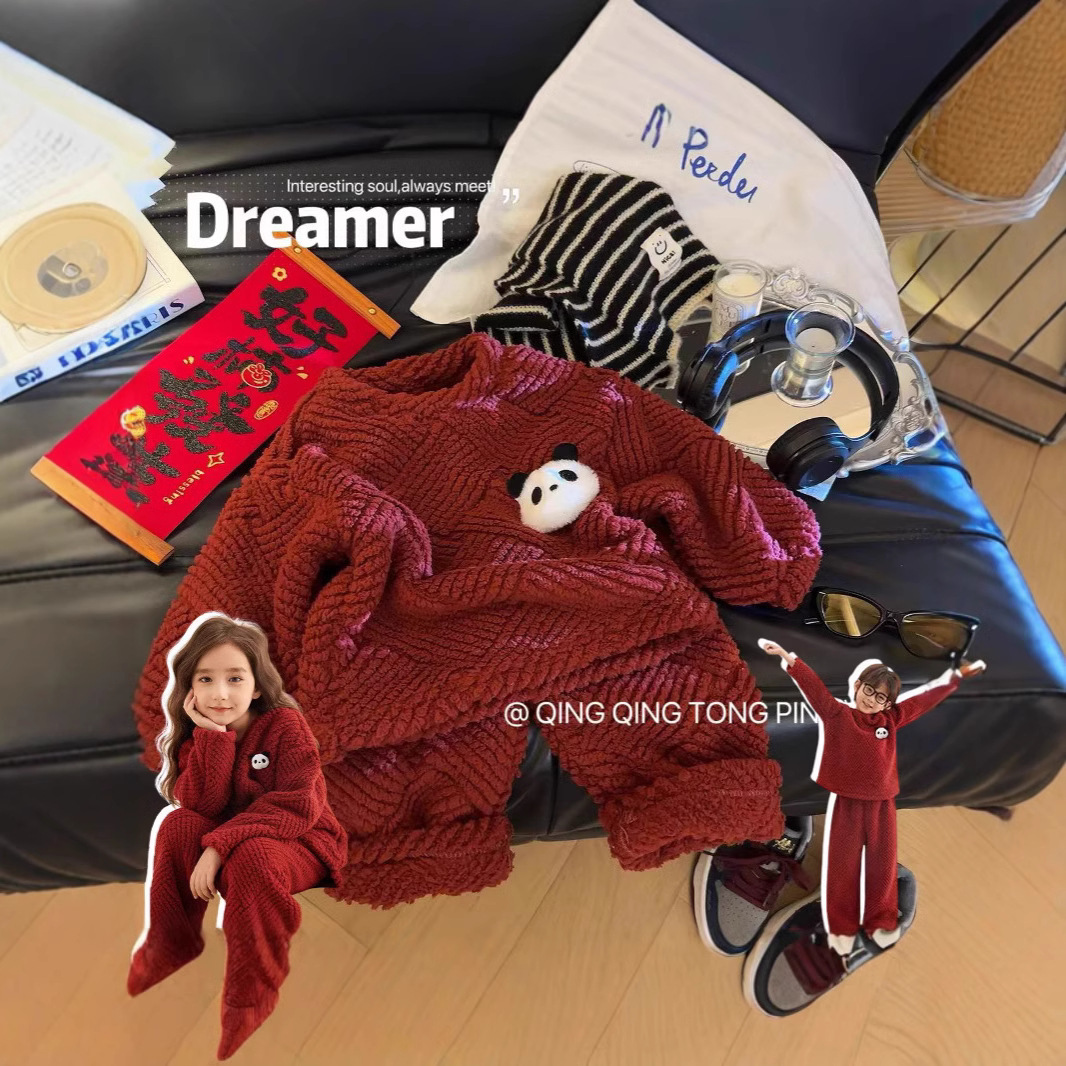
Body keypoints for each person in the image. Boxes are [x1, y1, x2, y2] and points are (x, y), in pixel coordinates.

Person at [127, 612, 348, 1061]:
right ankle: (170, 944)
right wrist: (213, 738)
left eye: (234, 678)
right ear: (190, 689)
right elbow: (200, 808)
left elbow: (296, 805)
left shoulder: (286, 727)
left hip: (298, 843)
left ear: (257, 685)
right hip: (232, 844)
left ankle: (250, 996)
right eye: (206, 679)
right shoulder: (197, 736)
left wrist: (218, 847)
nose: (221, 694)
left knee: (254, 855)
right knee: (176, 824)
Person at [758, 639, 985, 955]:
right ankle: (841, 928)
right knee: (842, 866)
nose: (872, 700)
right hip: (847, 803)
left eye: (881, 698)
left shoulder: (890, 720)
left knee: (883, 863)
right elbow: (815, 690)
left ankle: (882, 922)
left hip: (882, 803)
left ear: (888, 704)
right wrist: (788, 658)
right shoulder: (838, 714)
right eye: (869, 690)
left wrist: (954, 678)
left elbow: (922, 700)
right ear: (857, 686)